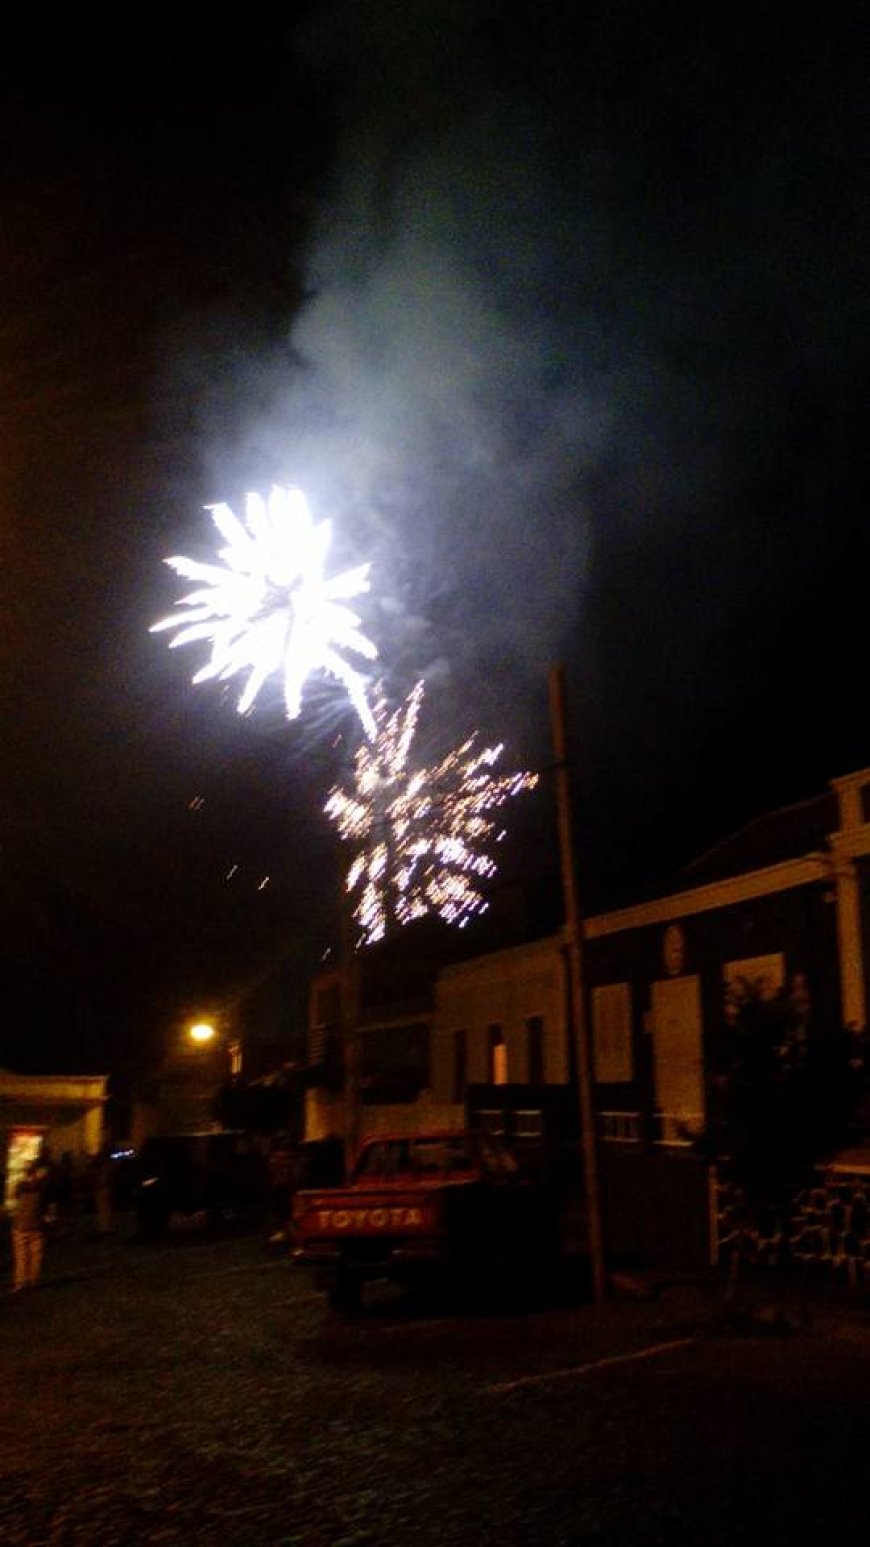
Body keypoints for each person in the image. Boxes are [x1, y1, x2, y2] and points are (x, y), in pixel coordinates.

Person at [11, 1158, 49, 1293]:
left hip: (20, 1225)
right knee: (36, 1255)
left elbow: (15, 1200)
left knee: (21, 1255)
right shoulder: (42, 1188)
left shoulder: (20, 1186)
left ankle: (21, 1282)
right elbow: (46, 1206)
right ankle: (33, 1280)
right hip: (36, 1225)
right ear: (37, 1172)